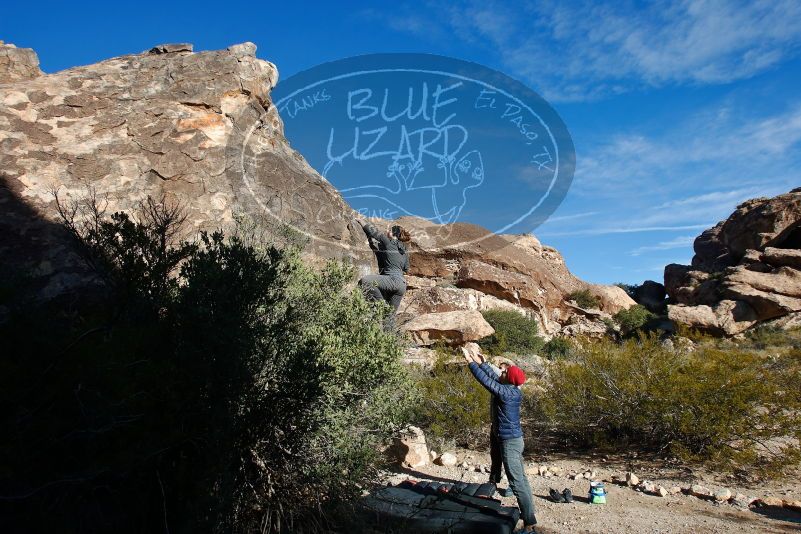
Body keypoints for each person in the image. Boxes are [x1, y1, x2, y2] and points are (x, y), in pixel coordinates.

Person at [461, 344, 537, 533]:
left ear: (509, 378)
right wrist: (481, 362)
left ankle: (529, 523)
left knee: (517, 481)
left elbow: (486, 382)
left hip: (510, 442)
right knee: (517, 477)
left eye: (505, 371)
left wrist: (470, 363)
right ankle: (495, 486)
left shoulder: (508, 393)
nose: (502, 371)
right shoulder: (508, 386)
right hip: (505, 437)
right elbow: (492, 376)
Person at [354, 218, 411, 329]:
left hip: (392, 280)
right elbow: (407, 269)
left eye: (389, 230)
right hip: (402, 285)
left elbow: (373, 232)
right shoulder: (404, 252)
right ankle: (391, 344)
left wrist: (361, 221)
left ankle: (381, 305)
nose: (387, 232)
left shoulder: (388, 242)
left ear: (392, 233)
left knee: (366, 281)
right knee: (389, 317)